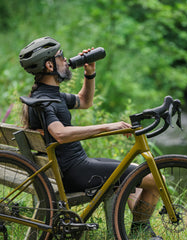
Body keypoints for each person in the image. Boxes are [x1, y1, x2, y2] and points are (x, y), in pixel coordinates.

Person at [19, 36, 162, 239]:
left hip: (73, 168)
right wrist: (105, 127)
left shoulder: (49, 95)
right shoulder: (45, 100)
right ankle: (140, 230)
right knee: (156, 179)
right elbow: (59, 133)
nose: (66, 60)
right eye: (61, 57)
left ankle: (141, 229)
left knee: (131, 173)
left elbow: (84, 101)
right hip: (75, 172)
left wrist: (90, 74)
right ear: (50, 65)